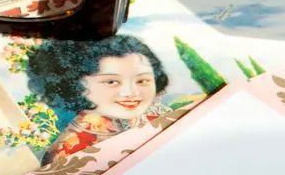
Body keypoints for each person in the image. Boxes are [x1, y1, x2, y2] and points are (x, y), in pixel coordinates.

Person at [28, 34, 190, 164]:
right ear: (77, 84)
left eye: (142, 81)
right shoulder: (68, 153)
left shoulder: (159, 115)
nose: (131, 92)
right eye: (112, 82)